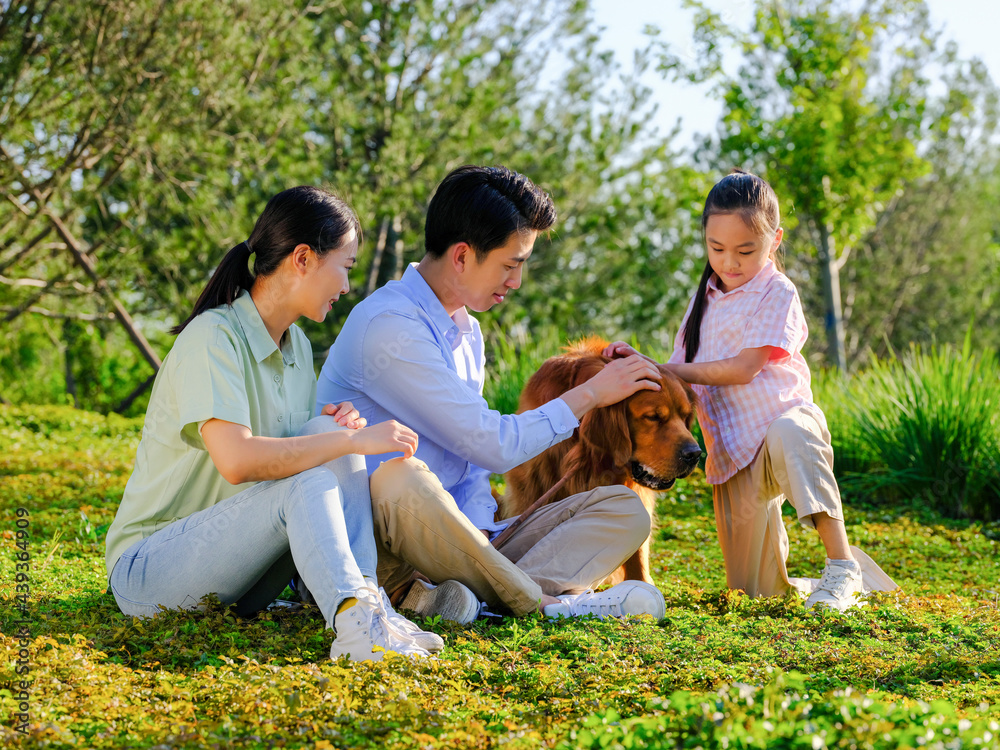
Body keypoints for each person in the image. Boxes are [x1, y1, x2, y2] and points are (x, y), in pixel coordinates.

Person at [105, 186, 444, 662]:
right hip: (150, 571)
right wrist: (354, 438)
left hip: (238, 573)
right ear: (303, 258)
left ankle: (368, 608)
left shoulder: (298, 347)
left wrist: (336, 433)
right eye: (344, 266)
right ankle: (353, 627)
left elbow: (301, 458)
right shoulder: (213, 337)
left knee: (329, 440)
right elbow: (239, 461)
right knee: (329, 455)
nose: (346, 286)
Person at [317, 165, 669, 623]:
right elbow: (492, 444)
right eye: (511, 264)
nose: (516, 281)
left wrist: (482, 525)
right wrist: (591, 393)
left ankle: (472, 596)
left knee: (625, 510)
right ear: (462, 256)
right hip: (388, 544)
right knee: (401, 479)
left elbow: (472, 464)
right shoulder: (389, 326)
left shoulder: (467, 330)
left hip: (458, 545)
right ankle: (543, 603)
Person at [605, 168, 896, 611]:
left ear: (775, 241)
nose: (730, 262)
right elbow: (681, 379)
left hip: (782, 428)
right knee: (758, 594)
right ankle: (862, 582)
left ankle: (840, 566)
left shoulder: (776, 291)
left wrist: (664, 366)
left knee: (791, 434)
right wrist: (639, 364)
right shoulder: (702, 299)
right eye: (716, 248)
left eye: (746, 249)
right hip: (734, 455)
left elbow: (744, 368)